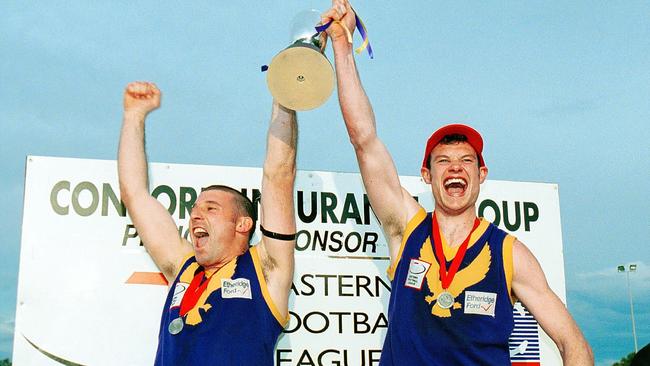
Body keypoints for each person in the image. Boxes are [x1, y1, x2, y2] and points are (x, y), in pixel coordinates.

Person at [321, 1, 594, 364]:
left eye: (467, 161)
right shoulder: (407, 229)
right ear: (426, 176)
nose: (456, 169)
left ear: (481, 175)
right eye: (444, 162)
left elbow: (572, 342)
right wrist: (342, 44)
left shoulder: (510, 253)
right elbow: (364, 139)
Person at [118, 81, 297, 365]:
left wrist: (286, 90)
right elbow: (135, 195)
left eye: (211, 208)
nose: (195, 215)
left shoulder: (265, 268)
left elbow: (279, 175)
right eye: (194, 208)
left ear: (243, 224)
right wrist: (134, 116)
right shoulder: (184, 266)